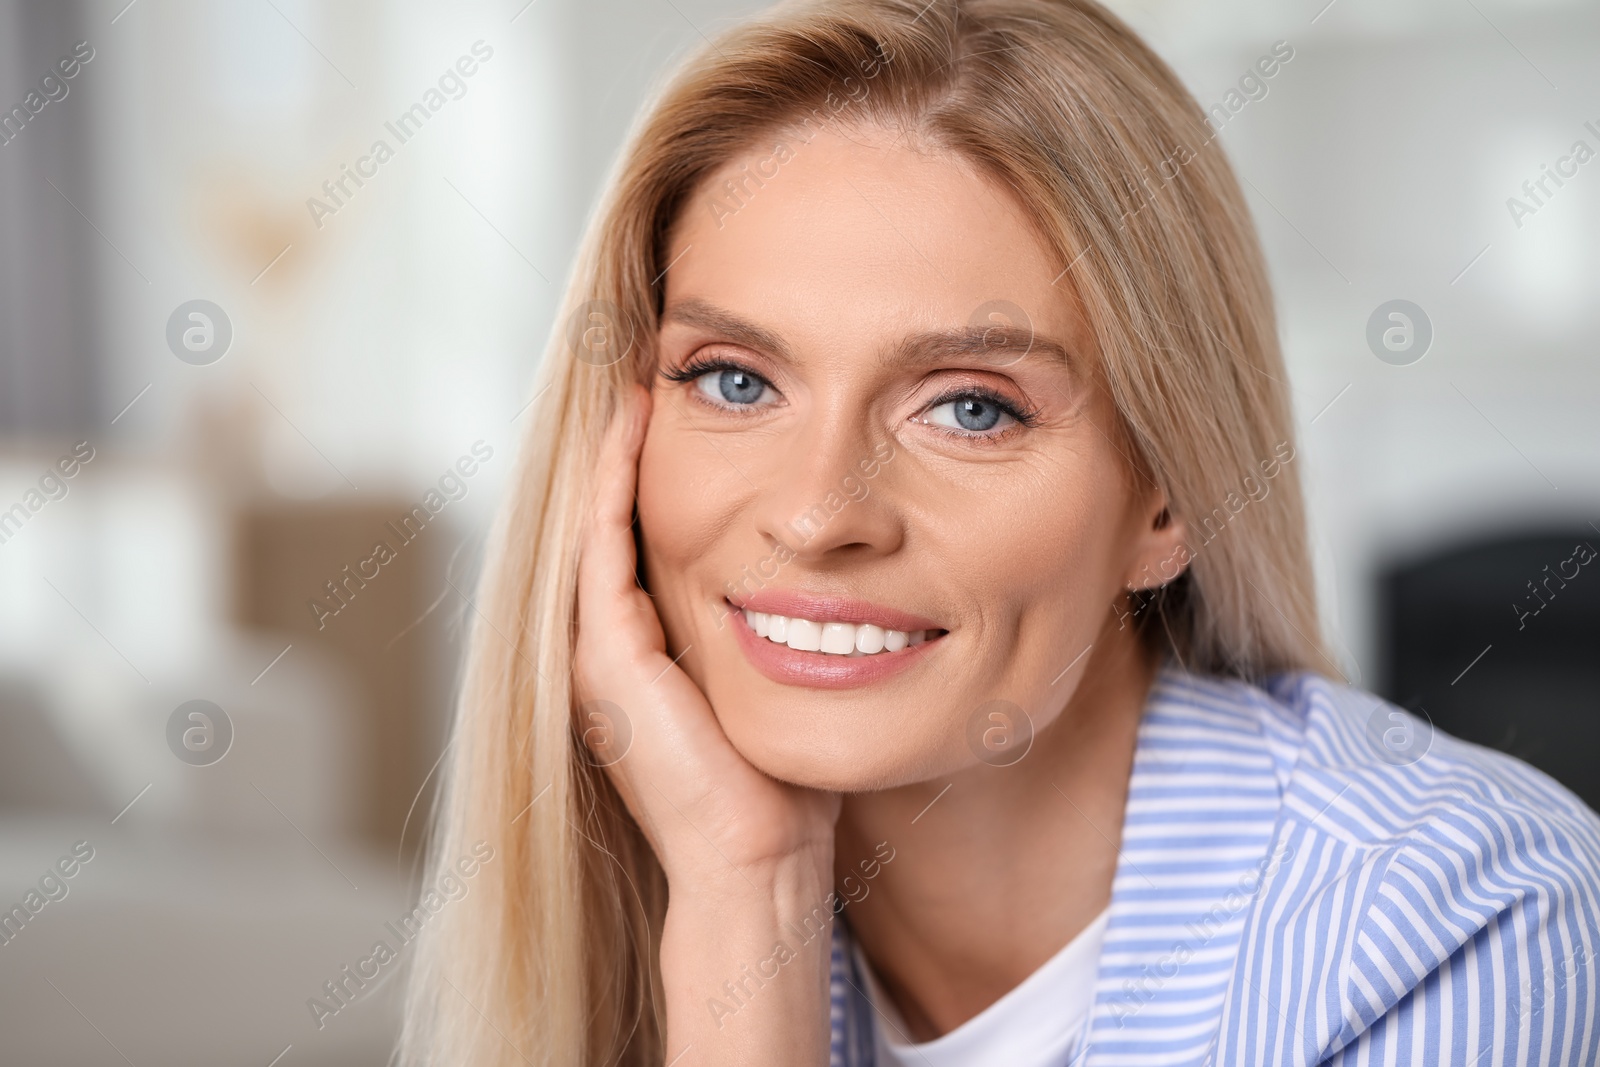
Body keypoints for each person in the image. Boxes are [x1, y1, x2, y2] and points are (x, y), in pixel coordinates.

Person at [396, 1, 1600, 1064]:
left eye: (970, 406)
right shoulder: (633, 896)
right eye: (736, 380)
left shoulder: (1465, 924)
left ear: (1166, 494)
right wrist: (742, 890)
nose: (818, 515)